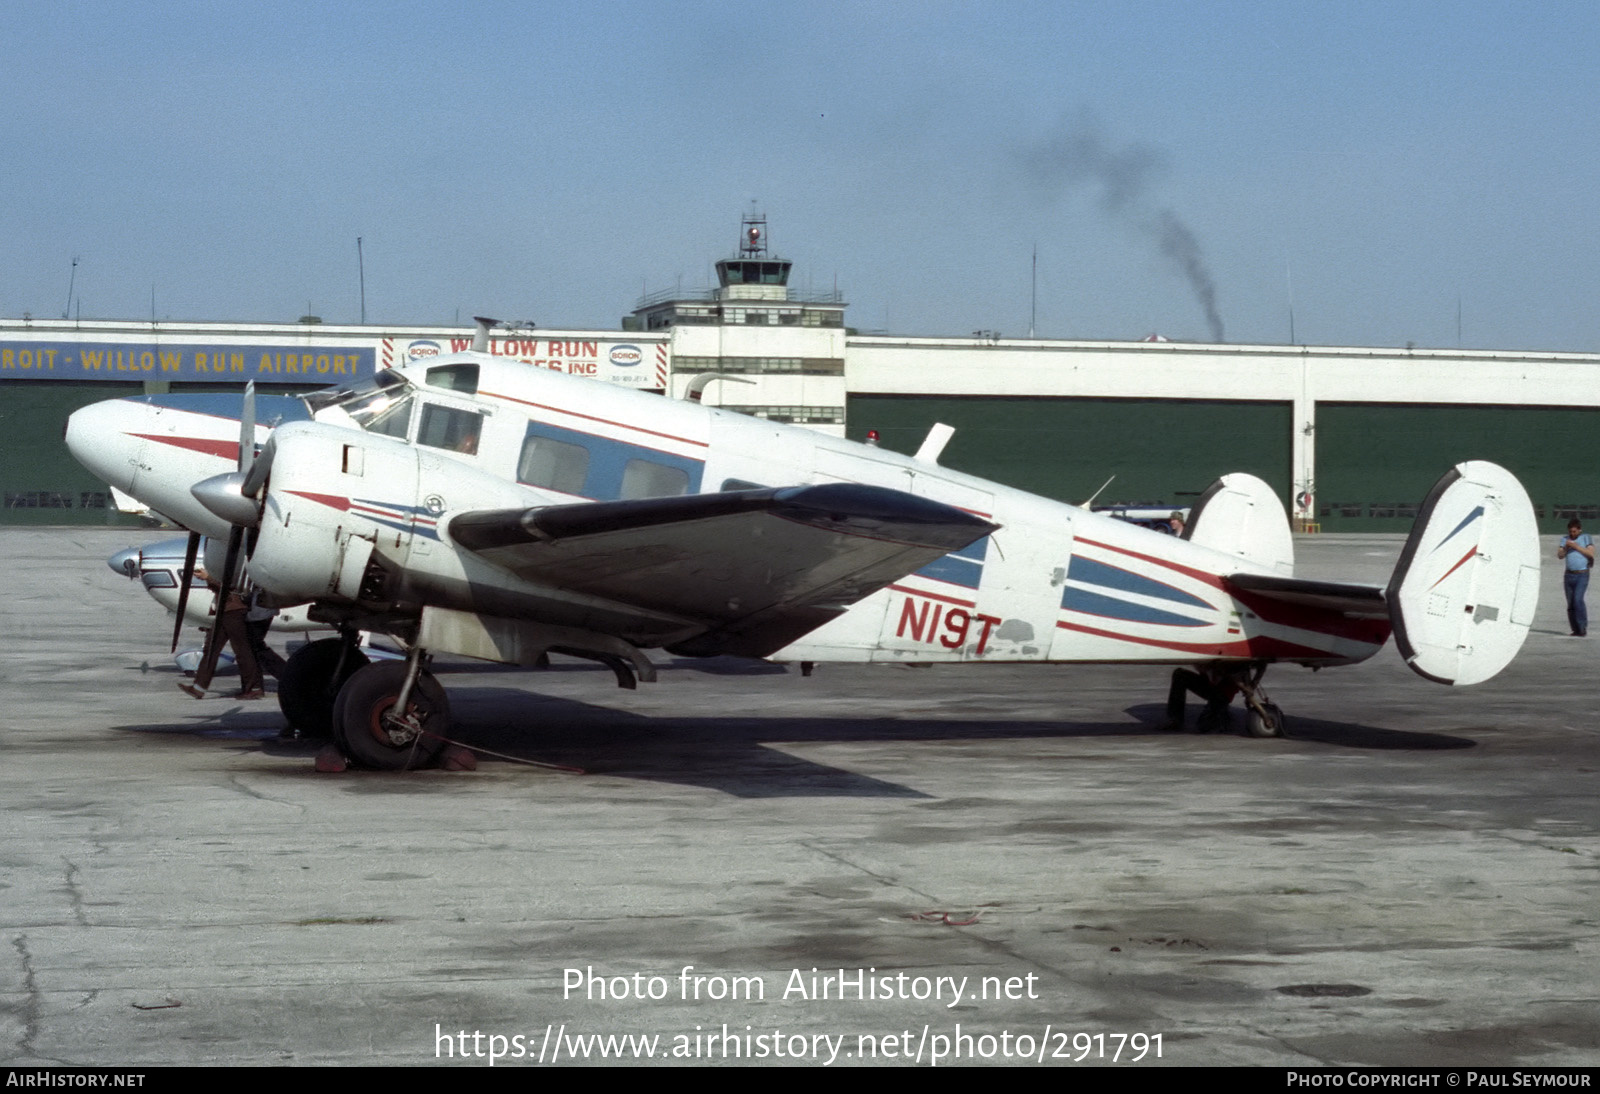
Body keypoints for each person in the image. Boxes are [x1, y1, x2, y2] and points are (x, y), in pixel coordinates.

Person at [1557, 519, 1594, 637]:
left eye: (1574, 531)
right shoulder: (1565, 539)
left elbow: (1591, 554)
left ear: (1579, 530)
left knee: (1578, 600)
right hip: (1569, 575)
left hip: (1582, 574)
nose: (1572, 534)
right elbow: (1560, 555)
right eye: (1570, 532)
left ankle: (1582, 627)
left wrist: (1576, 546)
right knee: (1571, 603)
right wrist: (1567, 547)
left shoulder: (1585, 538)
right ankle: (1575, 629)